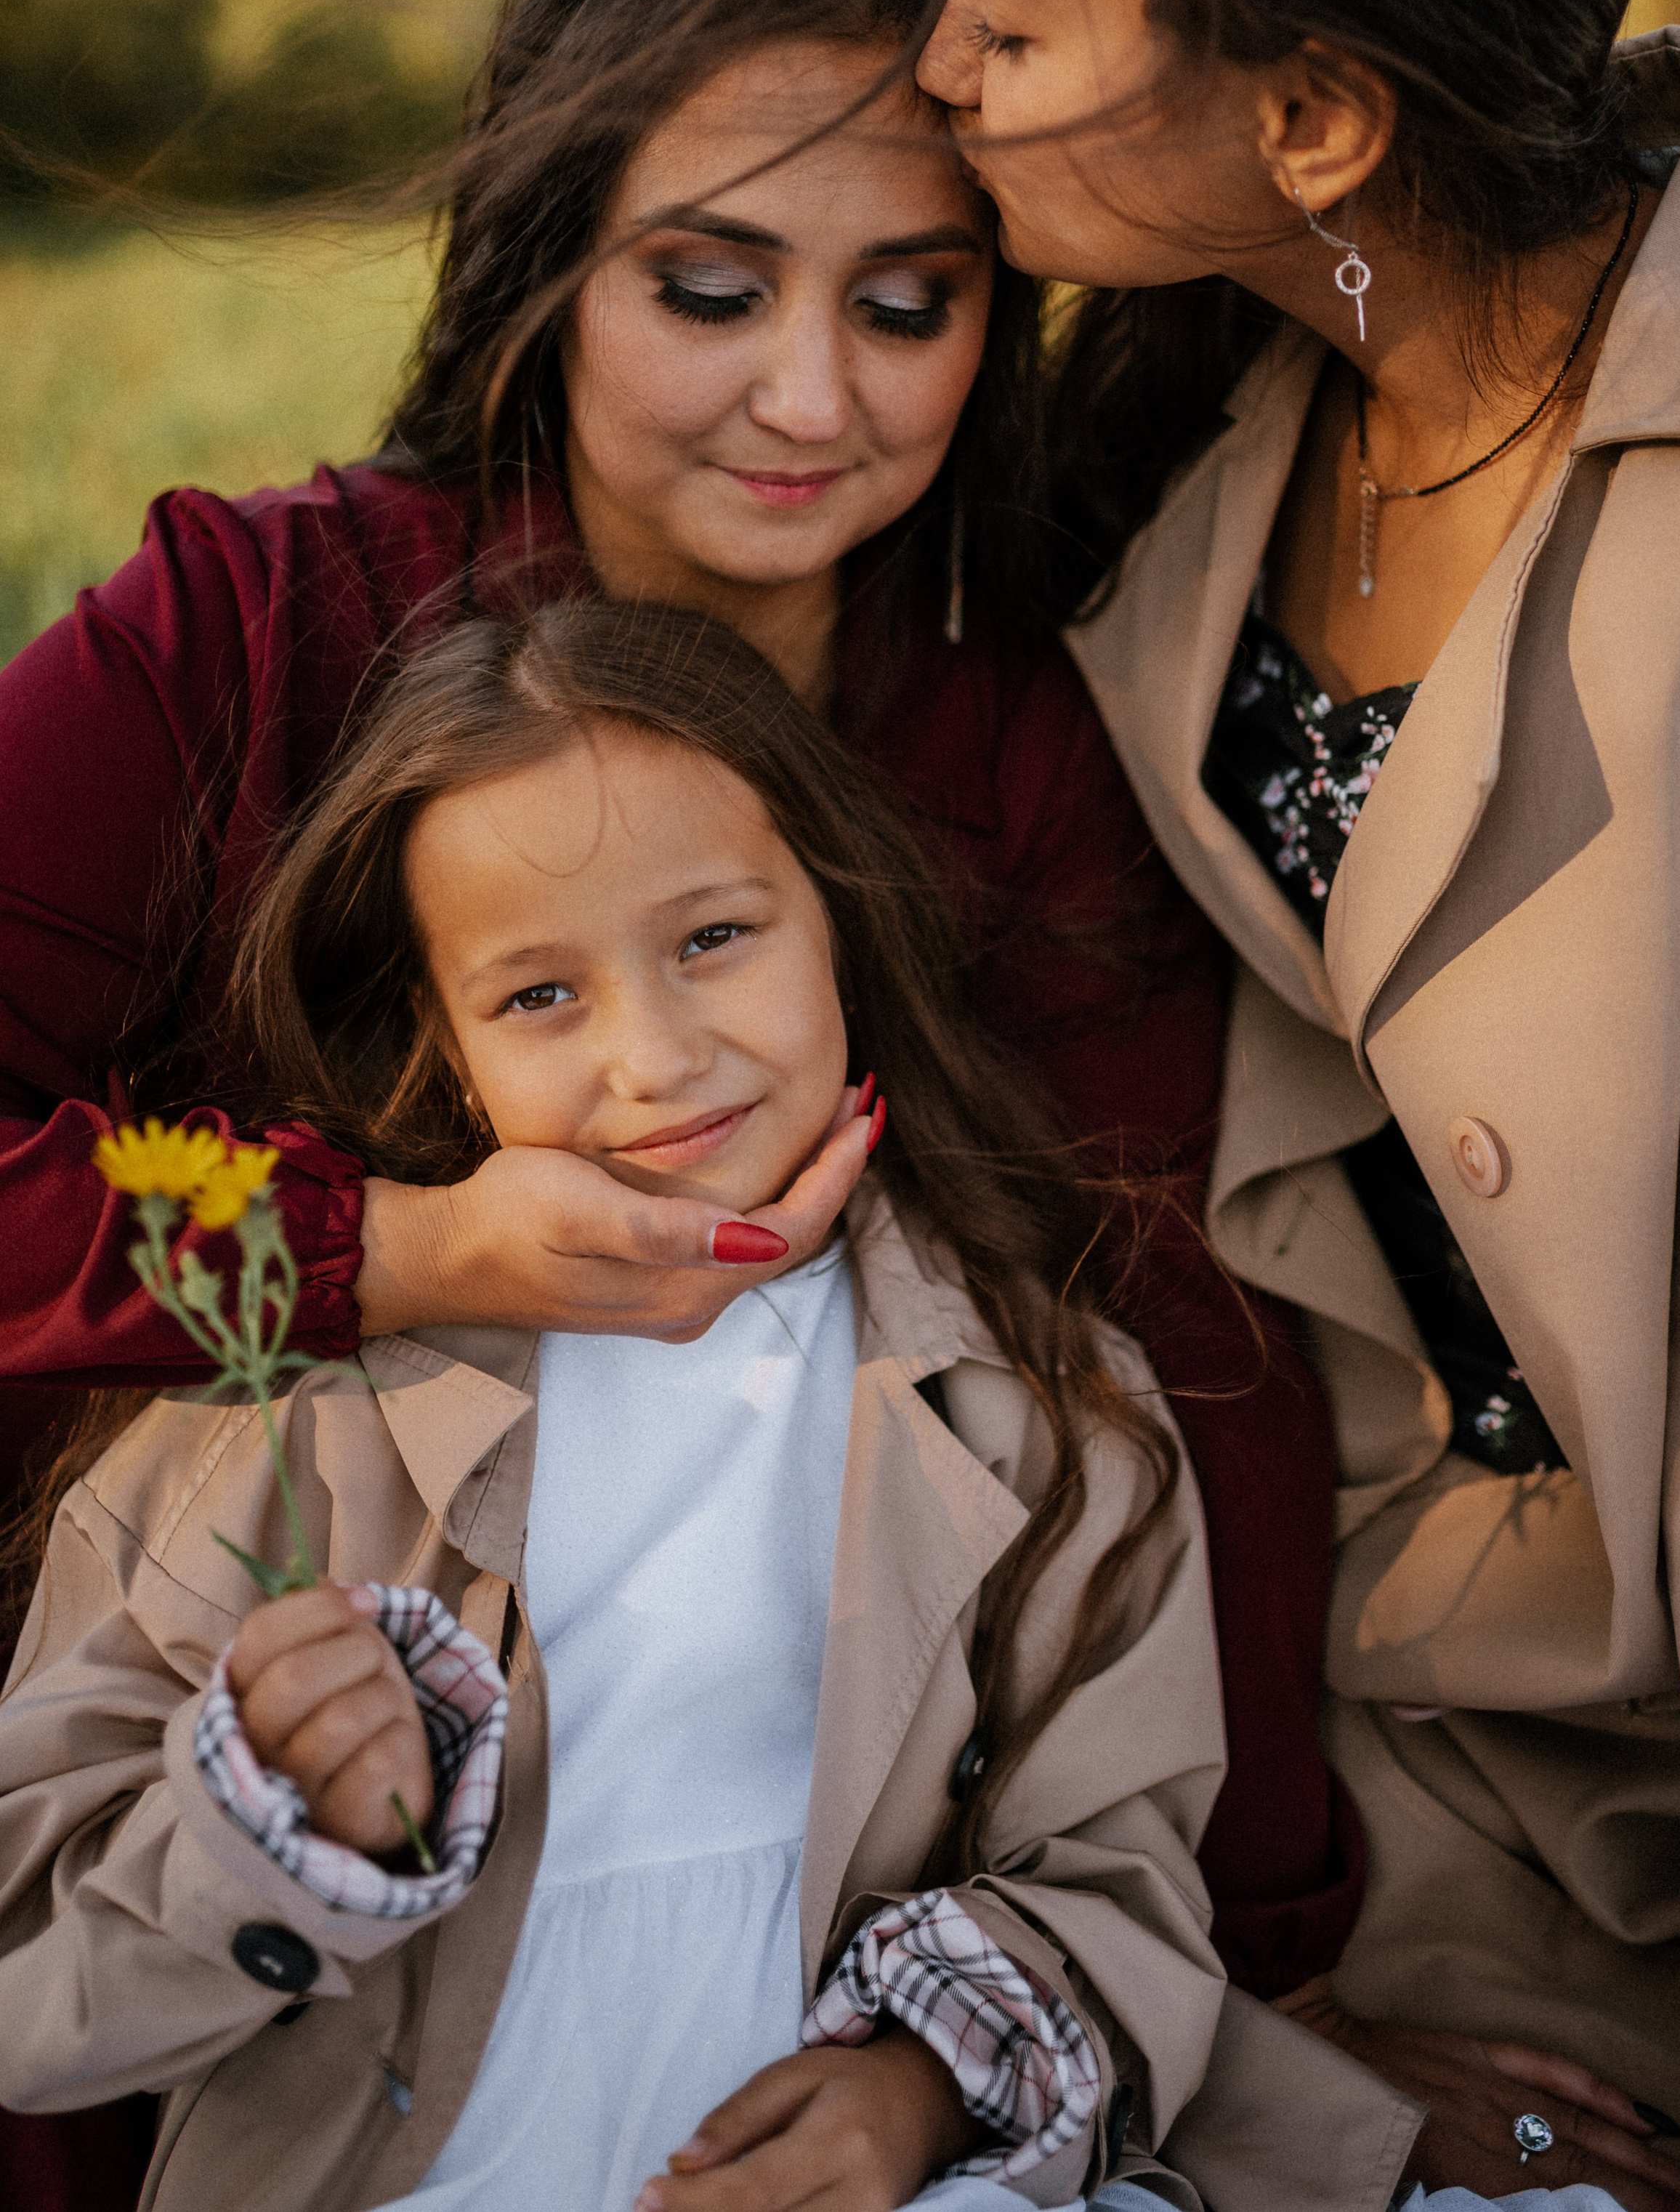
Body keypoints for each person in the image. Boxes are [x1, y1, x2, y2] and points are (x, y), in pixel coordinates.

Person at [0, 0, 1359, 2207]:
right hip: (220, 1829)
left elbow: (1171, 1337)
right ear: (552, 261)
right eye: (711, 286)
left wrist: (1270, 2002)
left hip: (798, 1917)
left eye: (910, 303)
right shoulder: (251, 632)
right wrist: (391, 1252)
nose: (810, 395)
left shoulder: (1008, 737)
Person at [917, 0, 1680, 2212]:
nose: (940, 63)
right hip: (1290, 1759)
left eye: (1009, 8)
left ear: (1315, 115)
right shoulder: (1190, 412)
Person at [0, 596, 1239, 2212]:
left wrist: (921, 2089)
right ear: (442, 1048)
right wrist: (271, 1822)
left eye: (713, 937)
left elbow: (1118, 1875)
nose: (653, 1055)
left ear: (840, 919)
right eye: (538, 997)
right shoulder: (284, 1421)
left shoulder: (1046, 1407)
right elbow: (33, 1996)